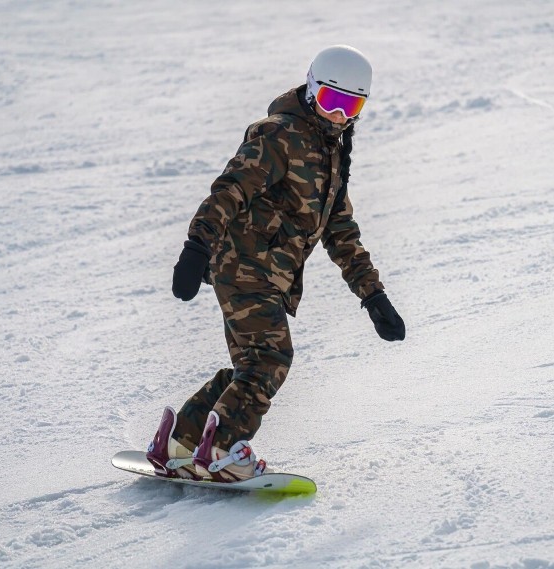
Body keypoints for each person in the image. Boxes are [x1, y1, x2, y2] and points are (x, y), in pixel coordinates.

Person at [145, 45, 405, 482]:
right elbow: (229, 190)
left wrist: (373, 296)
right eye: (331, 102)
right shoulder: (278, 135)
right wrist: (195, 248)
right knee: (270, 359)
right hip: (245, 266)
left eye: (351, 105)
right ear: (310, 90)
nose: (340, 115)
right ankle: (223, 449)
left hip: (266, 273)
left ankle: (184, 442)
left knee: (252, 367)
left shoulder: (333, 154)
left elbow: (340, 232)